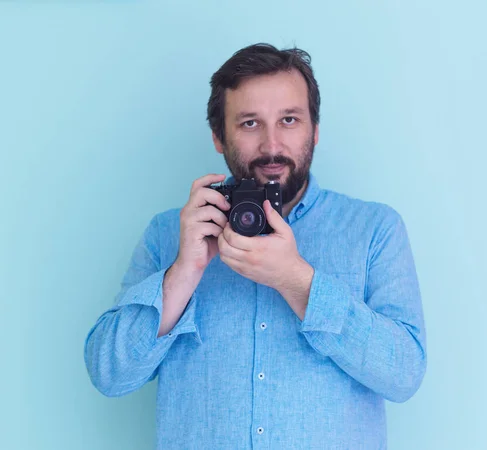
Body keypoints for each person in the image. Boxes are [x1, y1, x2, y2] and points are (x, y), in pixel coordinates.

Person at [84, 42, 427, 450]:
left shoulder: (375, 229)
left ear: (314, 130)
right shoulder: (168, 233)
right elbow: (109, 374)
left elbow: (404, 374)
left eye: (289, 119)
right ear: (218, 136)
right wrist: (184, 273)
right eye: (249, 123)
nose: (271, 145)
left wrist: (299, 282)